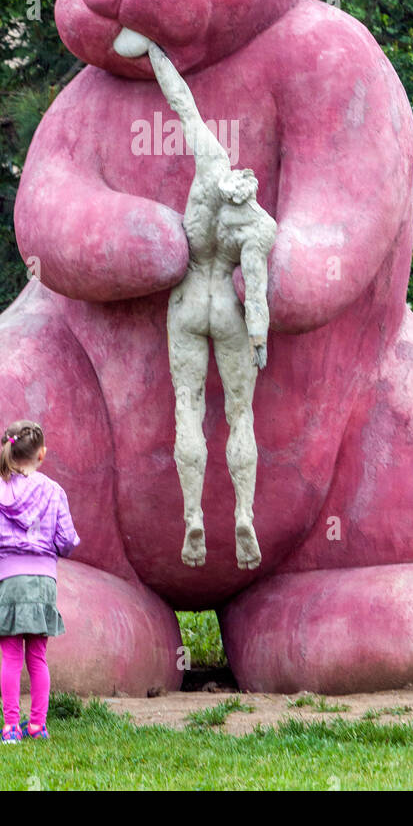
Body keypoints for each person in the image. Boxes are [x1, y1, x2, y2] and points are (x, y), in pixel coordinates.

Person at [147, 42, 277, 571]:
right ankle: (243, 512)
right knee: (240, 415)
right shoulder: (258, 226)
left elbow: (181, 100)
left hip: (186, 303)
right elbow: (258, 289)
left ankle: (193, 516)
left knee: (188, 405)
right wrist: (260, 337)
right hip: (227, 306)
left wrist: (154, 51)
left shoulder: (209, 164)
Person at [0, 421, 80, 743]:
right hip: (44, 581)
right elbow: (67, 541)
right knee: (37, 657)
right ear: (41, 453)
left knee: (11, 658)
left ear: (8, 449)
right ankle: (37, 726)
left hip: (10, 580)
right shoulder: (54, 491)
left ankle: (10, 728)